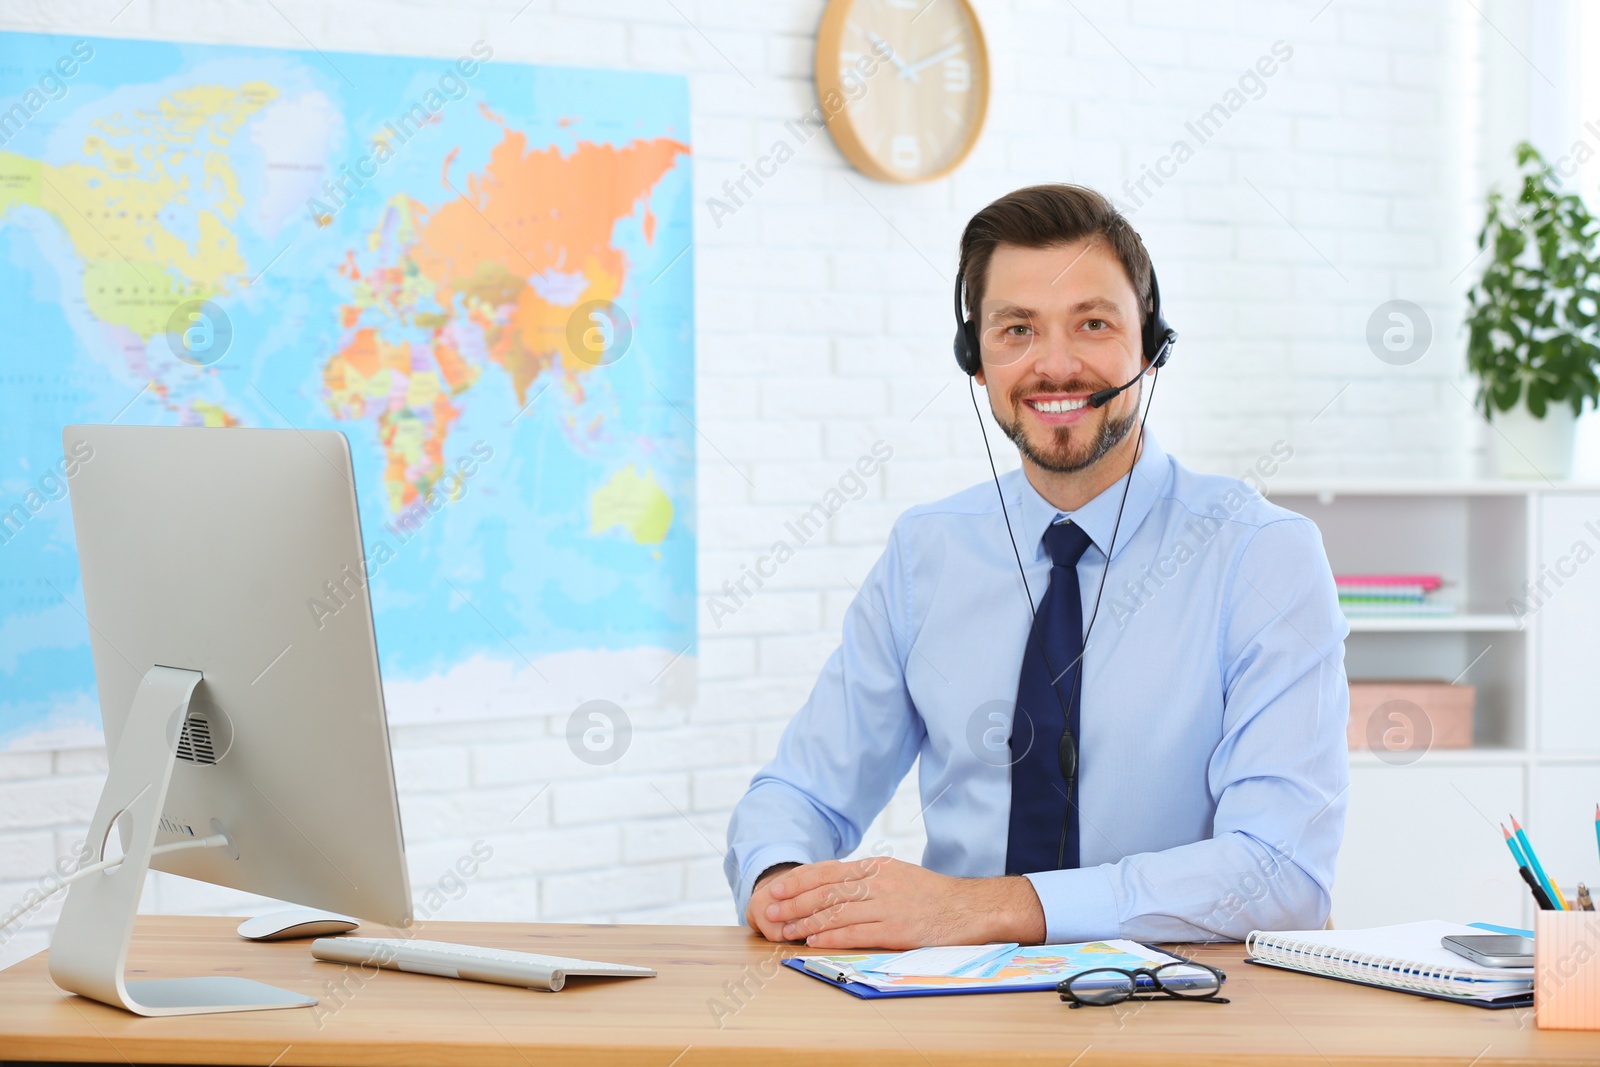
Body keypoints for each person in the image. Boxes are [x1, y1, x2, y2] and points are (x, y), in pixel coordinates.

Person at [723, 183, 1349, 950]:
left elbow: (1280, 874)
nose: (1055, 366)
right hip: (950, 1018)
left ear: (1150, 346)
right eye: (1016, 329)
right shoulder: (928, 553)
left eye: (1092, 323)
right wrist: (780, 881)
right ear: (975, 361)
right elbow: (800, 791)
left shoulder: (1261, 555)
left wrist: (982, 909)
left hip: (1176, 1022)